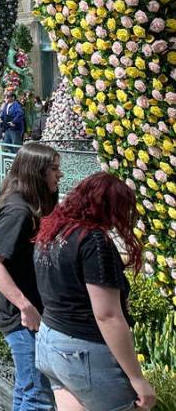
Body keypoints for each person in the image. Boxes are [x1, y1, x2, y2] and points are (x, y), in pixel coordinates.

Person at [33, 172, 155, 411]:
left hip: (50, 341)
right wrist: (138, 379)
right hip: (82, 350)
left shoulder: (52, 232)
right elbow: (107, 315)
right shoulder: (93, 240)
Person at [0, 142, 62, 411]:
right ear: (36, 172)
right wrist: (24, 305)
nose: (58, 175)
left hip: (29, 314)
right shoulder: (20, 211)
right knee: (37, 396)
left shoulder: (29, 205)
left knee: (28, 389)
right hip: (22, 319)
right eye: (53, 169)